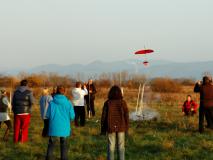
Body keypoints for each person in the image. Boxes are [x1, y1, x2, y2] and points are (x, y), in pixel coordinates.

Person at [46, 86, 75, 160]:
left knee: (51, 144)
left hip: (53, 126)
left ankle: (49, 158)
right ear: (64, 92)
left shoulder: (51, 103)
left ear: (56, 92)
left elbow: (47, 115)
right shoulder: (68, 103)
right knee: (64, 144)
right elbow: (72, 116)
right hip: (64, 127)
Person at [101, 85, 129, 160]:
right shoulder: (123, 102)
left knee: (111, 147)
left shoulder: (107, 103)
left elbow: (103, 117)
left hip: (110, 128)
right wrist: (126, 128)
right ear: (120, 93)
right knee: (121, 147)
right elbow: (126, 116)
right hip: (121, 127)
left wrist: (103, 130)